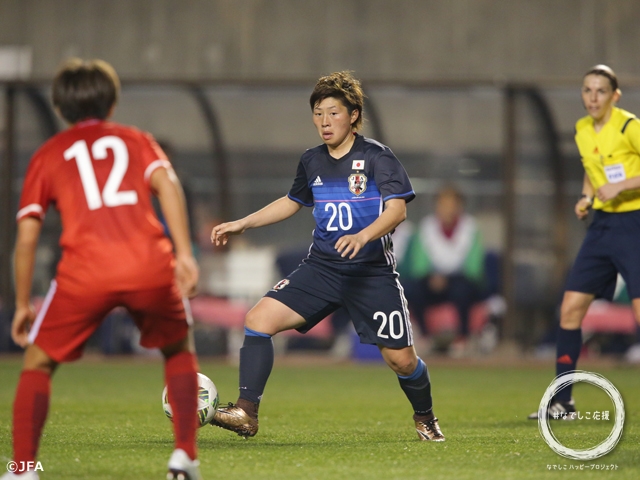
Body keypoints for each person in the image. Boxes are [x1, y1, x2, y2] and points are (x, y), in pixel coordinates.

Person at [210, 71, 445, 442]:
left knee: (401, 360)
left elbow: (397, 211)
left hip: (371, 274)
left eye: (333, 113)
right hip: (322, 269)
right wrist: (243, 223)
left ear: (353, 115)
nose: (324, 122)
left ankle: (425, 417)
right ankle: (246, 412)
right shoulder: (312, 160)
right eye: (318, 113)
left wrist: (363, 235)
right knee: (258, 319)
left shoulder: (377, 157)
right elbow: (292, 202)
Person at [1, 59, 202, 480]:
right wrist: (184, 254)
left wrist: (21, 302)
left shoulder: (48, 154)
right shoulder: (136, 140)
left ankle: (22, 470)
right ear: (112, 103)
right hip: (149, 264)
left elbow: (26, 237)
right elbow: (168, 184)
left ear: (59, 108)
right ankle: (184, 458)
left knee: (37, 364)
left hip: (85, 272)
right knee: (178, 350)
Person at [529, 64, 640, 420]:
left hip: (634, 224)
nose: (593, 98)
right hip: (603, 226)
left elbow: (617, 178)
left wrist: (620, 186)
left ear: (615, 96)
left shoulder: (628, 126)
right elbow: (593, 172)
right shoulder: (580, 129)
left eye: (601, 91)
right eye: (587, 91)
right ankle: (563, 402)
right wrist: (585, 197)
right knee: (570, 309)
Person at [398, 185, 485, 355]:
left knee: (462, 290)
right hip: (431, 280)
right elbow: (418, 265)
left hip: (459, 280)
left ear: (460, 207)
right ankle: (424, 337)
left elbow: (474, 268)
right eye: (443, 204)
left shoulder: (471, 228)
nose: (447, 209)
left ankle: (463, 338)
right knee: (411, 289)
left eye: (452, 205)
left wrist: (449, 278)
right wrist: (432, 276)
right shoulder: (426, 228)